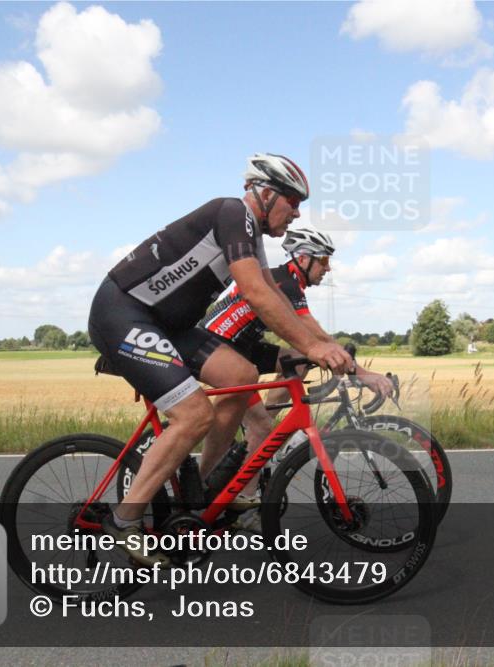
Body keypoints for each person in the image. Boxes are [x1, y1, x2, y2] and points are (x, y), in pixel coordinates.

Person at [88, 154, 353, 566]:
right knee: (194, 415)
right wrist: (314, 348)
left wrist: (319, 346)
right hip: (123, 313)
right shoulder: (232, 213)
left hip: (167, 325)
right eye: (293, 201)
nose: (297, 213)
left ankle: (206, 493)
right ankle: (124, 520)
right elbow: (257, 295)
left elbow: (277, 296)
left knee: (241, 373)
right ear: (266, 194)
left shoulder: (251, 237)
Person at [199, 224, 394, 528]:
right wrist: (362, 373)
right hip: (220, 351)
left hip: (243, 346)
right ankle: (245, 505)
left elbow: (307, 343)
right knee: (262, 424)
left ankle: (275, 419)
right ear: (303, 259)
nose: (327, 270)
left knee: (296, 358)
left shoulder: (287, 280)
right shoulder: (285, 284)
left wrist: (329, 357)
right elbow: (312, 333)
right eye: (324, 261)